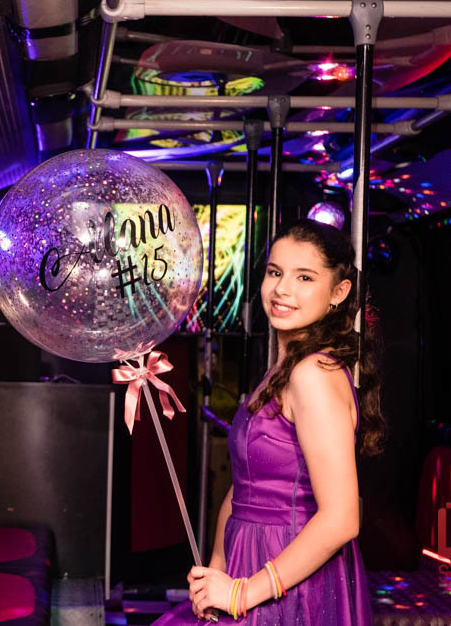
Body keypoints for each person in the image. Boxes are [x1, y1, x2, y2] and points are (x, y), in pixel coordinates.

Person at [156, 219, 385, 625]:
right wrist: (218, 569)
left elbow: (342, 518)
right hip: (249, 564)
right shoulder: (282, 370)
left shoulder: (313, 375)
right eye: (275, 272)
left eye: (304, 277)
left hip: (291, 578)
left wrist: (245, 592)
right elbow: (243, 486)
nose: (282, 289)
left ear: (338, 292)